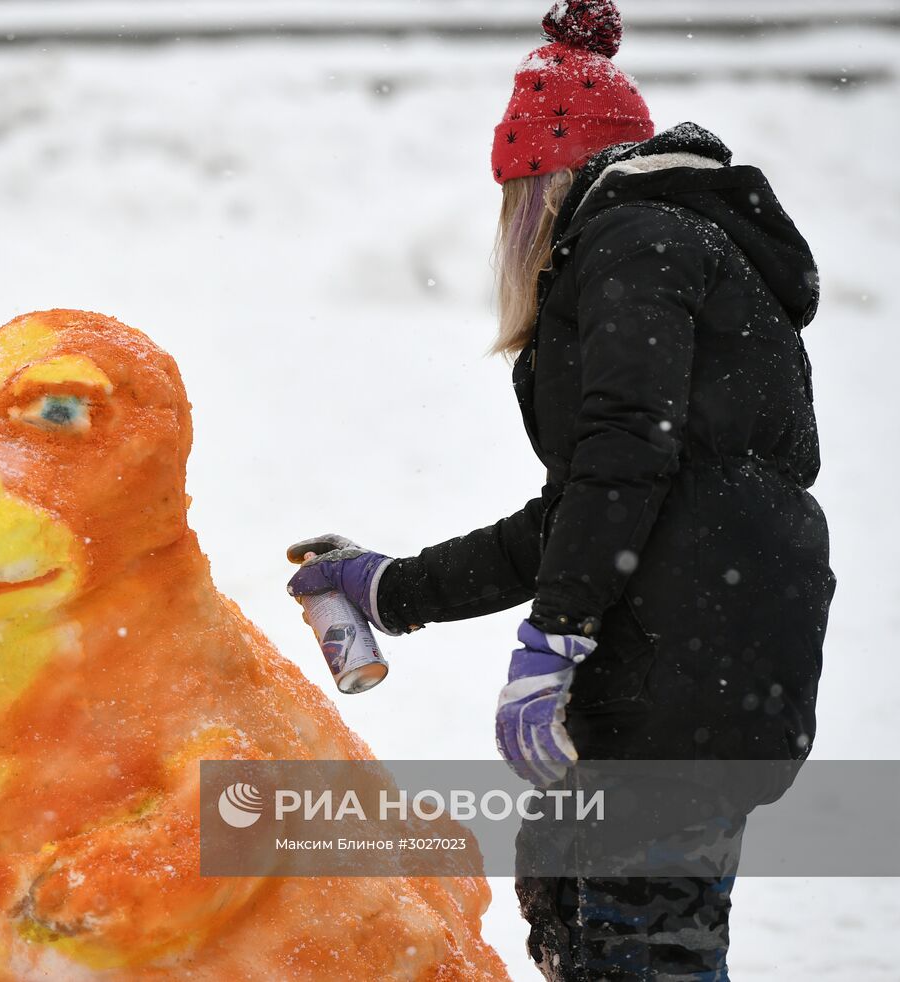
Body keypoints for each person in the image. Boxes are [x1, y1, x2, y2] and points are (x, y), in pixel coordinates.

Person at [286, 1, 834, 978]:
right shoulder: (678, 248)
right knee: (576, 906)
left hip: (681, 669)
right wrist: (390, 589)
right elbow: (589, 502)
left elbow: (624, 461)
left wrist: (554, 639)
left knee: (637, 947)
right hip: (712, 658)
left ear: (541, 182)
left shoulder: (633, 243)